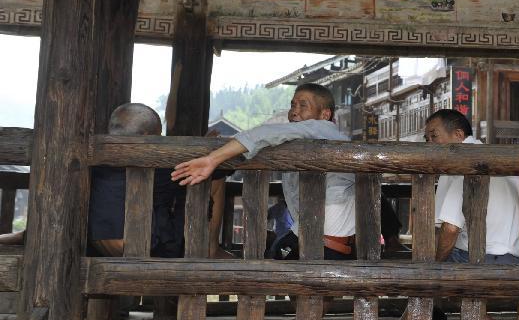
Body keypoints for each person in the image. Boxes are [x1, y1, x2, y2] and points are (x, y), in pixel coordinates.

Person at [379, 109, 519, 320]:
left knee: (427, 269)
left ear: (457, 134)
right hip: (513, 257)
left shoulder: (462, 163)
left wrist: (435, 264)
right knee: (435, 268)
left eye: (434, 136)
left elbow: (450, 229)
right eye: (427, 139)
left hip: (481, 259)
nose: (430, 144)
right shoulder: (496, 157)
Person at [172, 83, 356, 260]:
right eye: (292, 105)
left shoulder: (323, 128)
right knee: (274, 257)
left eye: (303, 105)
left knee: (270, 265)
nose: (294, 111)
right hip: (317, 237)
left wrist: (212, 159)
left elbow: (265, 133)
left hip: (324, 241)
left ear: (325, 114)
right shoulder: (307, 137)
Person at [88, 103, 185, 258]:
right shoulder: (162, 171)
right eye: (159, 137)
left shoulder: (93, 164)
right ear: (147, 137)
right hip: (143, 252)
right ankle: (212, 249)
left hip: (97, 252)